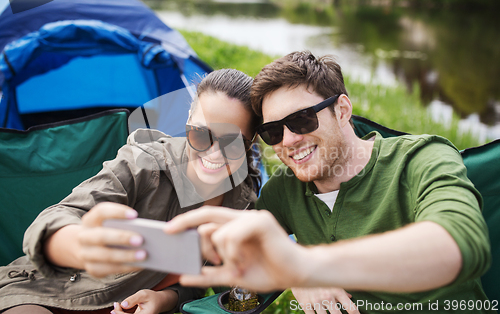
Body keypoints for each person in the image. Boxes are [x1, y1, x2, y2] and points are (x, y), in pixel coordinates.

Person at [164, 51, 493, 314]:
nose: (289, 140)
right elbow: (235, 275)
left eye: (301, 119)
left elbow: (462, 242)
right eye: (273, 132)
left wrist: (309, 267)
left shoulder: (422, 159)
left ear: (342, 109)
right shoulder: (285, 191)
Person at [0, 69, 261, 314]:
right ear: (188, 122)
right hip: (44, 293)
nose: (214, 152)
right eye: (202, 134)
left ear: (251, 143)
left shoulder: (242, 204)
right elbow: (57, 217)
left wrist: (165, 299)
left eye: (233, 142)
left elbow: (199, 280)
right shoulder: (143, 163)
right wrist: (82, 246)